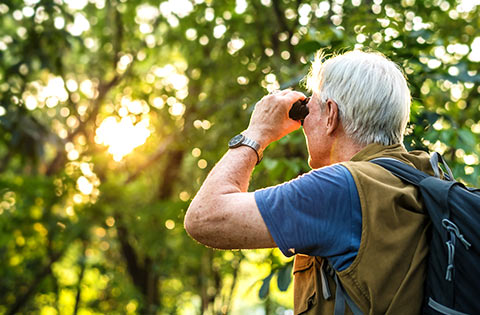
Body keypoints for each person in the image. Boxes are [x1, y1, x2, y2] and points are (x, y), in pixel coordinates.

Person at [184, 50, 433, 314]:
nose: (303, 124)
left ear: (331, 115)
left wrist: (257, 132)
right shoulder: (424, 175)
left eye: (307, 110)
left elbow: (204, 218)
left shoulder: (339, 188)